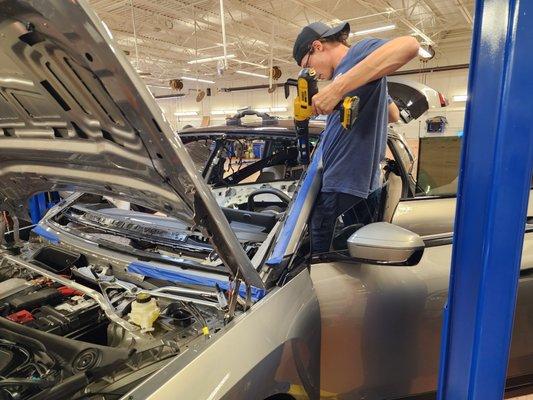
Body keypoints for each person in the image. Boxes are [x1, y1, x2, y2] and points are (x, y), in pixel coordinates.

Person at [292, 21, 419, 254]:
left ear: (317, 46)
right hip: (350, 183)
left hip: (344, 181)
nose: (315, 75)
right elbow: (392, 114)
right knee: (352, 252)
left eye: (308, 65)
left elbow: (409, 45)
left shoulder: (357, 54)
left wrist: (337, 89)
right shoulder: (354, 74)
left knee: (319, 255)